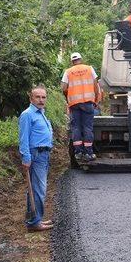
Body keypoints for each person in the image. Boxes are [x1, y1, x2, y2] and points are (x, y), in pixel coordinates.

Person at [18, 85, 54, 232]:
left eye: (43, 97)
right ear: (31, 98)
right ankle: (34, 222)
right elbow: (23, 138)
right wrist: (26, 158)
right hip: (36, 155)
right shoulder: (27, 114)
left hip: (44, 154)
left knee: (36, 189)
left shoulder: (40, 113)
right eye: (37, 97)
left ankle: (35, 218)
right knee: (39, 189)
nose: (41, 100)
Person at [61, 52, 100, 163]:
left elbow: (63, 87)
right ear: (81, 59)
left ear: (72, 61)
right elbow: (95, 86)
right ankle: (88, 153)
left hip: (74, 103)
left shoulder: (68, 72)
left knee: (76, 127)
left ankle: (78, 153)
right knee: (87, 127)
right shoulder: (89, 69)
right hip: (88, 103)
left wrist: (68, 97)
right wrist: (96, 100)